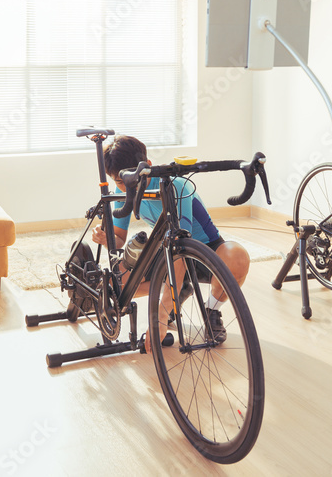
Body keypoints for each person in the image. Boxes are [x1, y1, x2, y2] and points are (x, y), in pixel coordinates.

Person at [91, 135, 250, 343]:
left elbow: (180, 249)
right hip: (167, 248)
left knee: (237, 256)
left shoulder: (176, 186)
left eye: (131, 179)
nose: (125, 187)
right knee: (120, 282)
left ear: (147, 165)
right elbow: (119, 239)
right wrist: (104, 237)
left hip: (205, 250)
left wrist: (161, 318)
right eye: (119, 182)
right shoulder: (125, 190)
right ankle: (180, 290)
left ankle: (211, 309)